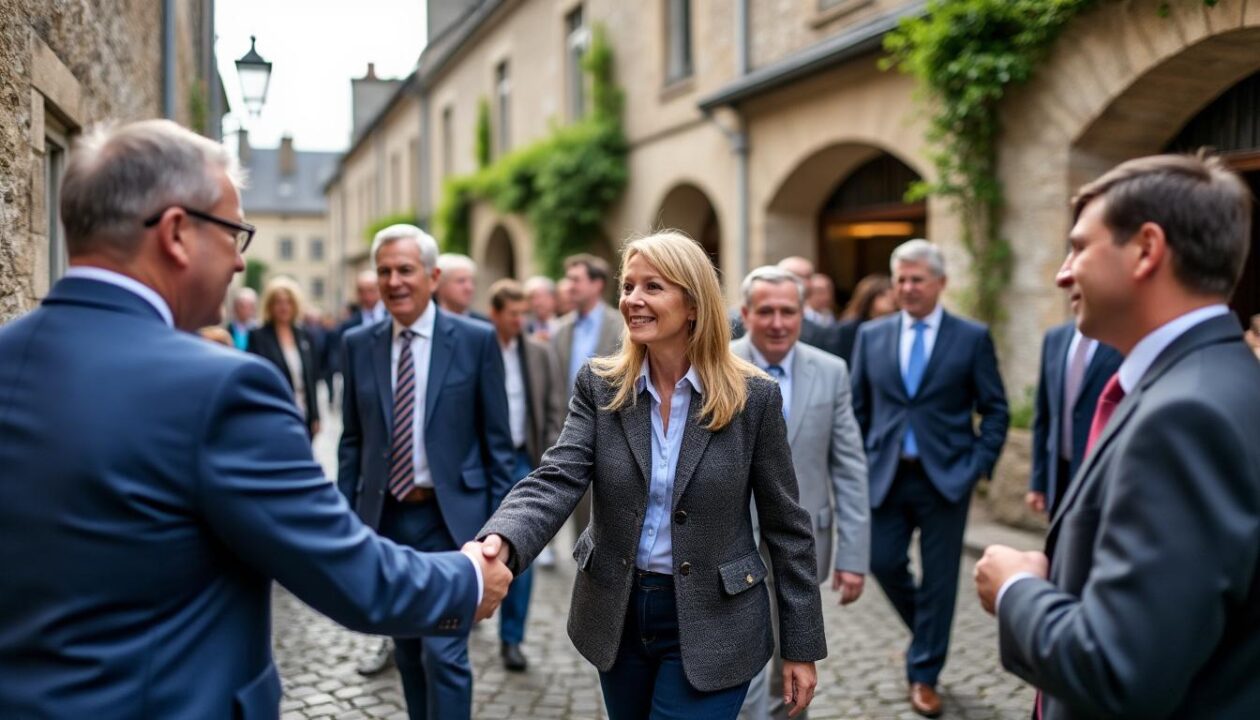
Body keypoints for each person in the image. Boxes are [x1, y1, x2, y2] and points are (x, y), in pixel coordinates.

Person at [0, 119, 510, 717]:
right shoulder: (220, 387)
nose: (242, 266)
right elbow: (350, 575)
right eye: (235, 234)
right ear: (176, 234)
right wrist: (470, 577)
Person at [478, 231, 827, 720]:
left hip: (717, 620)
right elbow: (556, 477)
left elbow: (787, 527)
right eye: (627, 287)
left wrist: (801, 643)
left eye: (652, 287)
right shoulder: (600, 386)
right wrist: (501, 542)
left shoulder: (754, 397)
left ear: (692, 303)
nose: (632, 301)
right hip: (617, 615)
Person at [976, 153, 1260, 719]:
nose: (1062, 273)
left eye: (1080, 247)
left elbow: (1118, 670)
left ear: (1146, 250)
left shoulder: (1186, 417)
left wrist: (1015, 590)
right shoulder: (1218, 381)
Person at [338, 224, 515, 720]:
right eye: (384, 271)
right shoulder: (358, 344)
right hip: (388, 523)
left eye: (405, 270)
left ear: (433, 276)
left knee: (445, 650)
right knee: (410, 651)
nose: (393, 281)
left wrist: (501, 533)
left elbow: (498, 445)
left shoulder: (476, 340)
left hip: (451, 522)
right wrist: (347, 520)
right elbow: (351, 440)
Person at [850, 239, 1009, 717]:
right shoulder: (871, 336)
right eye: (900, 279)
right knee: (882, 561)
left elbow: (995, 409)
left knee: (941, 583)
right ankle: (928, 636)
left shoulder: (971, 337)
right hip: (886, 476)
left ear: (940, 282)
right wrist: (857, 462)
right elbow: (857, 410)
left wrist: (977, 466)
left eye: (917, 279)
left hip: (947, 479)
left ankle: (924, 675)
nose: (907, 287)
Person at [731, 266, 869, 720]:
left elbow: (848, 466)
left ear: (803, 314)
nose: (777, 322)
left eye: (788, 311)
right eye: (765, 311)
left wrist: (853, 554)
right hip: (728, 542)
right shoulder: (716, 363)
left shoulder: (831, 371)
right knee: (740, 667)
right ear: (745, 313)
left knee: (795, 671)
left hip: (800, 543)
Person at [486, 279, 567, 672]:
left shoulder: (538, 352)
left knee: (519, 548)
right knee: (478, 542)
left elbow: (554, 407)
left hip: (523, 459)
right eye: (513, 314)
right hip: (483, 463)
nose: (520, 321)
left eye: (524, 314)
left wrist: (547, 459)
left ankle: (512, 638)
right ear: (495, 314)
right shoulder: (477, 349)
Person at [551, 252, 622, 536]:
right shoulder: (560, 331)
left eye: (576, 280)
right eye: (568, 279)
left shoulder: (621, 327)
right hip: (571, 434)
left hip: (612, 434)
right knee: (578, 522)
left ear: (597, 284)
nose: (570, 286)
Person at [1025, 321, 1121, 516]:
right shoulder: (1055, 338)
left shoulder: (1120, 337)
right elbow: (1043, 416)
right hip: (1058, 474)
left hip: (1099, 476)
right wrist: (1038, 480)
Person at [248, 276, 321, 437]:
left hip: (303, 412)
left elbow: (310, 379)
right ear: (270, 305)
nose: (284, 307)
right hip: (274, 412)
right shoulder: (258, 336)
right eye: (278, 302)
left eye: (288, 302)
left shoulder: (304, 335)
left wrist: (315, 414)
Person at [831, 274, 895, 364]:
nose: (891, 298)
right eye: (883, 294)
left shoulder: (897, 328)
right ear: (869, 297)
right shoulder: (848, 329)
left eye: (893, 293)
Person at [434, 252, 489, 323]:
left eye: (473, 282)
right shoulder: (426, 321)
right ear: (440, 284)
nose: (469, 288)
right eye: (461, 281)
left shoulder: (484, 325)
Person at [523, 275, 559, 340]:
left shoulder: (565, 325)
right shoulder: (523, 327)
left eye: (539, 297)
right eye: (531, 298)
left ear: (552, 298)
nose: (536, 303)